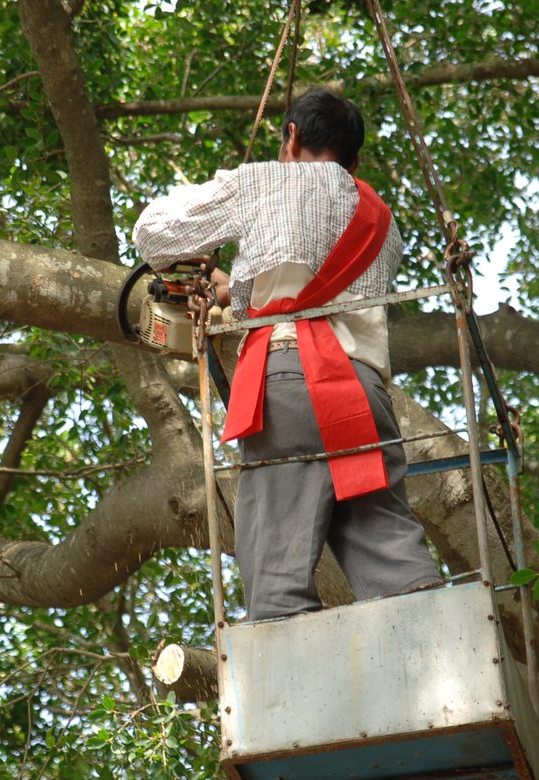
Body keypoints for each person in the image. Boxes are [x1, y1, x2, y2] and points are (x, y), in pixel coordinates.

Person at [133, 89, 441, 621]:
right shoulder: (381, 220)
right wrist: (241, 287)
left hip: (290, 381)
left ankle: (288, 692)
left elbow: (153, 235)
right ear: (354, 160)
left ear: (292, 136)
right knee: (392, 557)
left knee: (276, 574)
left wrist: (214, 225)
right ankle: (446, 666)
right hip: (365, 395)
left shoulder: (266, 181)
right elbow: (311, 281)